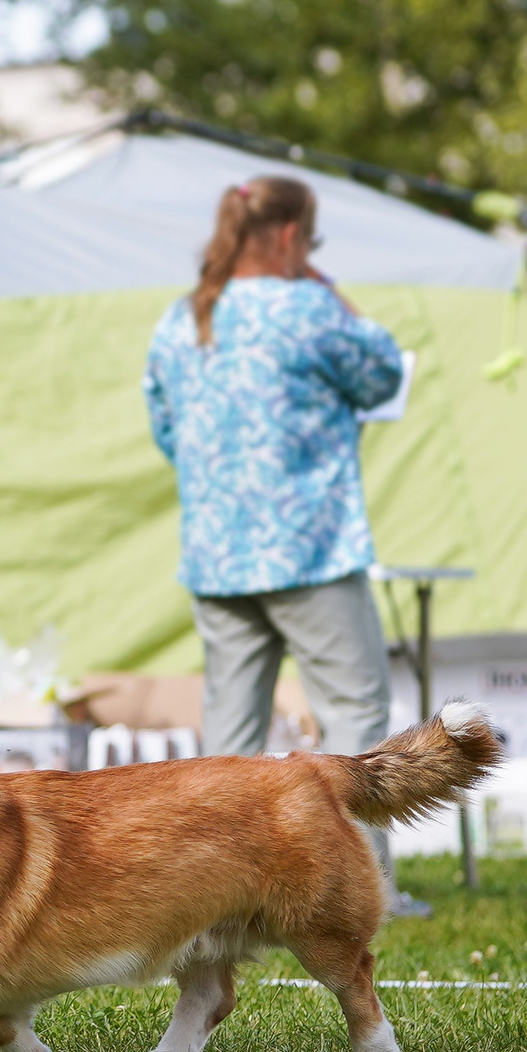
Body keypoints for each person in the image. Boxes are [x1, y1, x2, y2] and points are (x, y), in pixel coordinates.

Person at [143, 176, 418, 904]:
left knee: (229, 737)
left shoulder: (181, 318)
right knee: (353, 718)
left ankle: (215, 894)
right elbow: (385, 371)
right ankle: (366, 889)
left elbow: (165, 426)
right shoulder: (309, 307)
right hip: (309, 549)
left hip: (215, 553)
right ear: (293, 235)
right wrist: (331, 288)